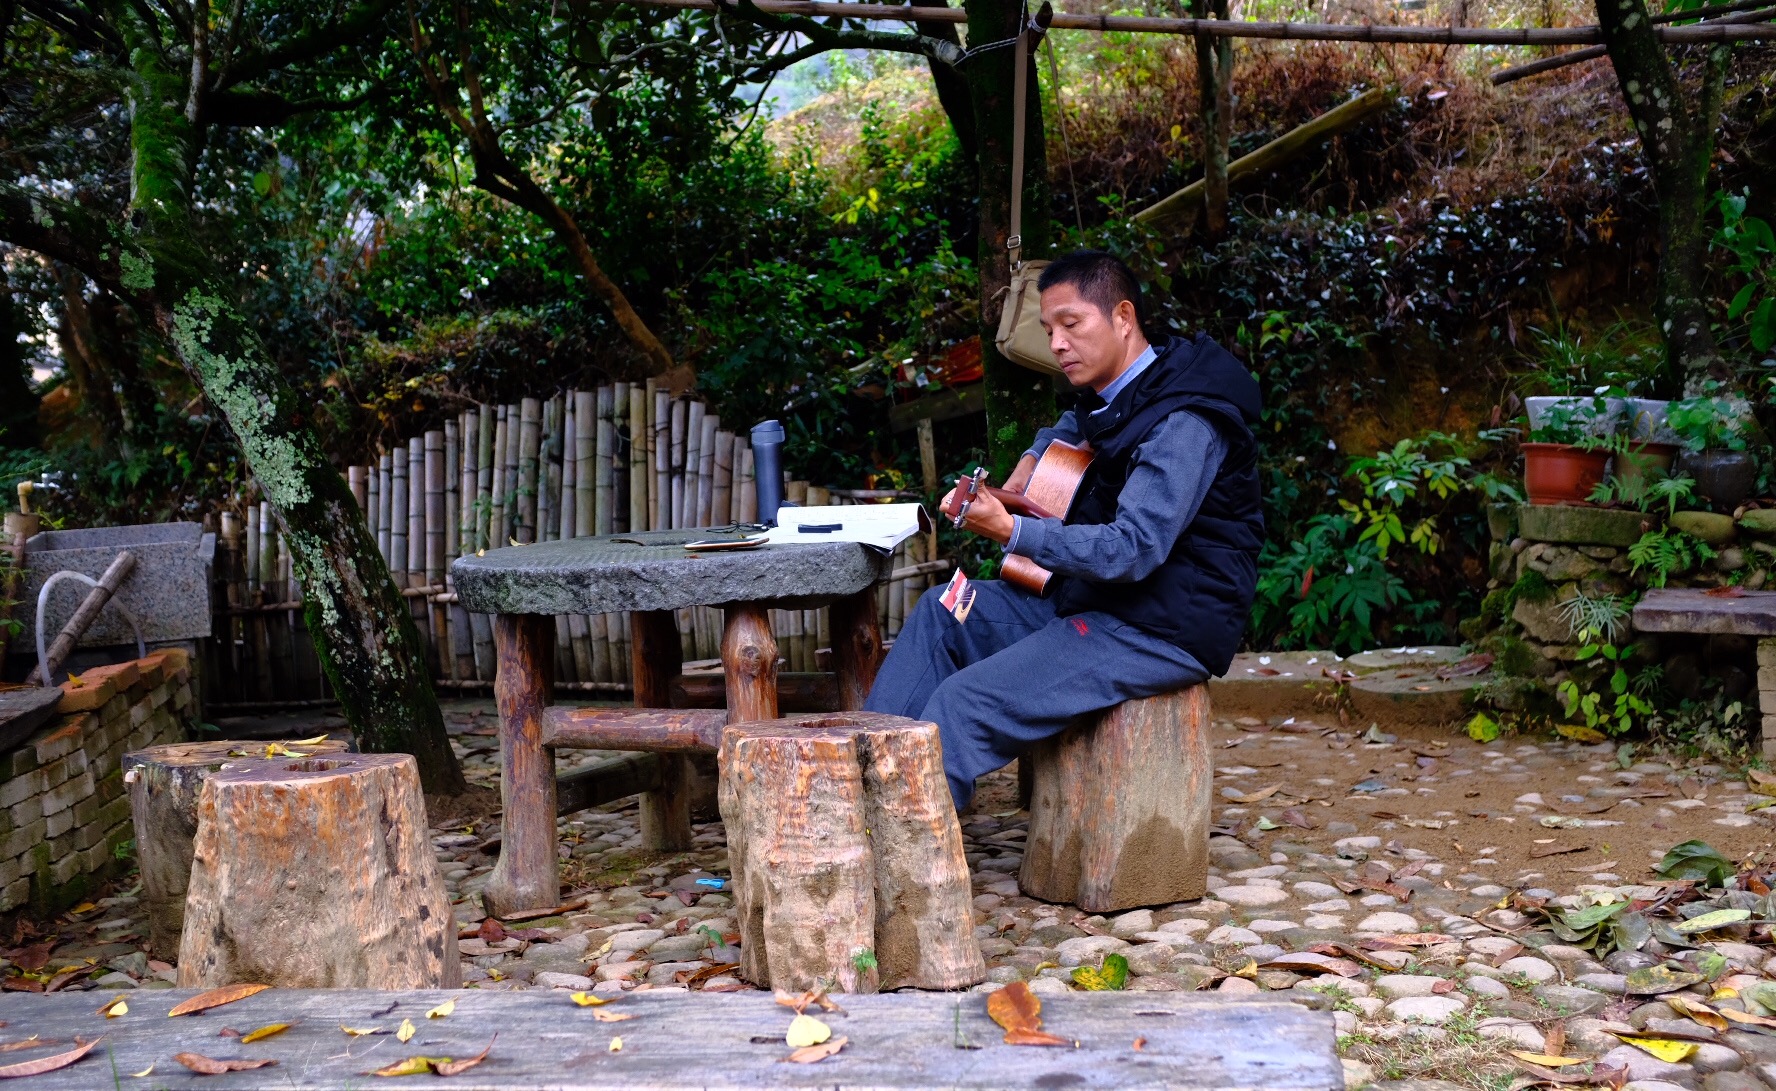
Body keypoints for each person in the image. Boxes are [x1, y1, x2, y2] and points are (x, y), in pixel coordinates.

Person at [864, 249, 1264, 808]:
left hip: (1158, 628)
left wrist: (1013, 531)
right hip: (1095, 600)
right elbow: (1074, 421)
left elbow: (1133, 549)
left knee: (964, 704)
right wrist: (1034, 457)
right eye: (1049, 328)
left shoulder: (1185, 421)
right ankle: (861, 787)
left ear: (1123, 317)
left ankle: (907, 842)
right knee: (944, 610)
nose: (1056, 344)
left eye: (1071, 324)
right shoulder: (1131, 384)